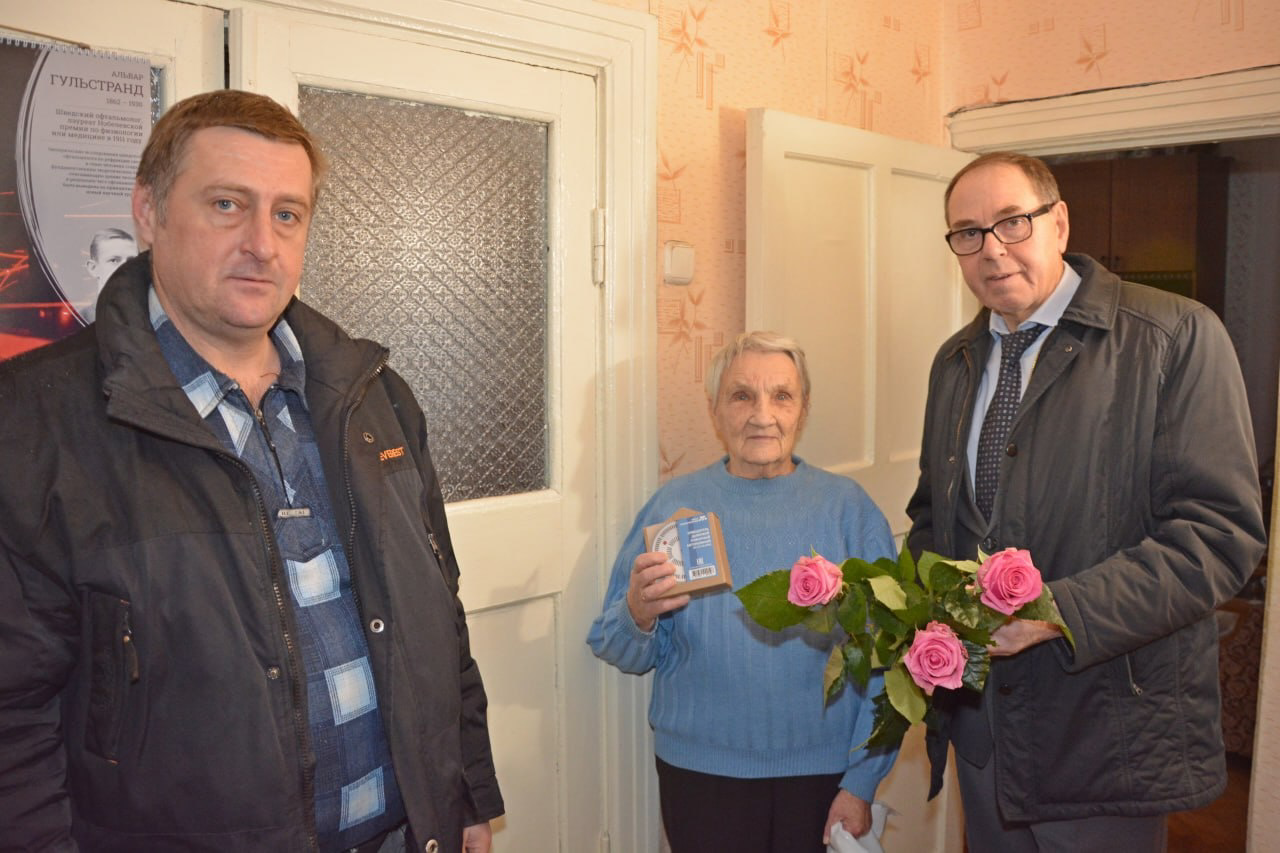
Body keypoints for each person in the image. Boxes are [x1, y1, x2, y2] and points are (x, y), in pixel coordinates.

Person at [0, 90, 503, 852]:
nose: (262, 244)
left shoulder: (375, 398)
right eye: (227, 204)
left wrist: (463, 792)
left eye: (287, 214)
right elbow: (12, 715)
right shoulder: (34, 422)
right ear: (149, 212)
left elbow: (439, 617)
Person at [906, 150, 1266, 851]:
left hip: (1108, 733)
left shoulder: (1174, 337)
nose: (992, 250)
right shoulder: (954, 361)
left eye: (1013, 221)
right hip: (983, 730)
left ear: (1060, 222)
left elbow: (1218, 536)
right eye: (968, 233)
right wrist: (925, 613)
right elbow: (932, 517)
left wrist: (1055, 612)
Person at [588, 331, 899, 852]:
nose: (762, 415)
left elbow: (891, 661)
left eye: (782, 396)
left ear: (803, 408)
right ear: (715, 409)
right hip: (700, 775)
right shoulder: (675, 505)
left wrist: (862, 781)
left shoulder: (849, 509)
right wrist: (638, 613)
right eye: (741, 396)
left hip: (823, 777)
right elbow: (618, 648)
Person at [81, 228, 138, 323]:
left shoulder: (152, 319)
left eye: (132, 261)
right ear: (93, 268)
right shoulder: (80, 320)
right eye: (114, 260)